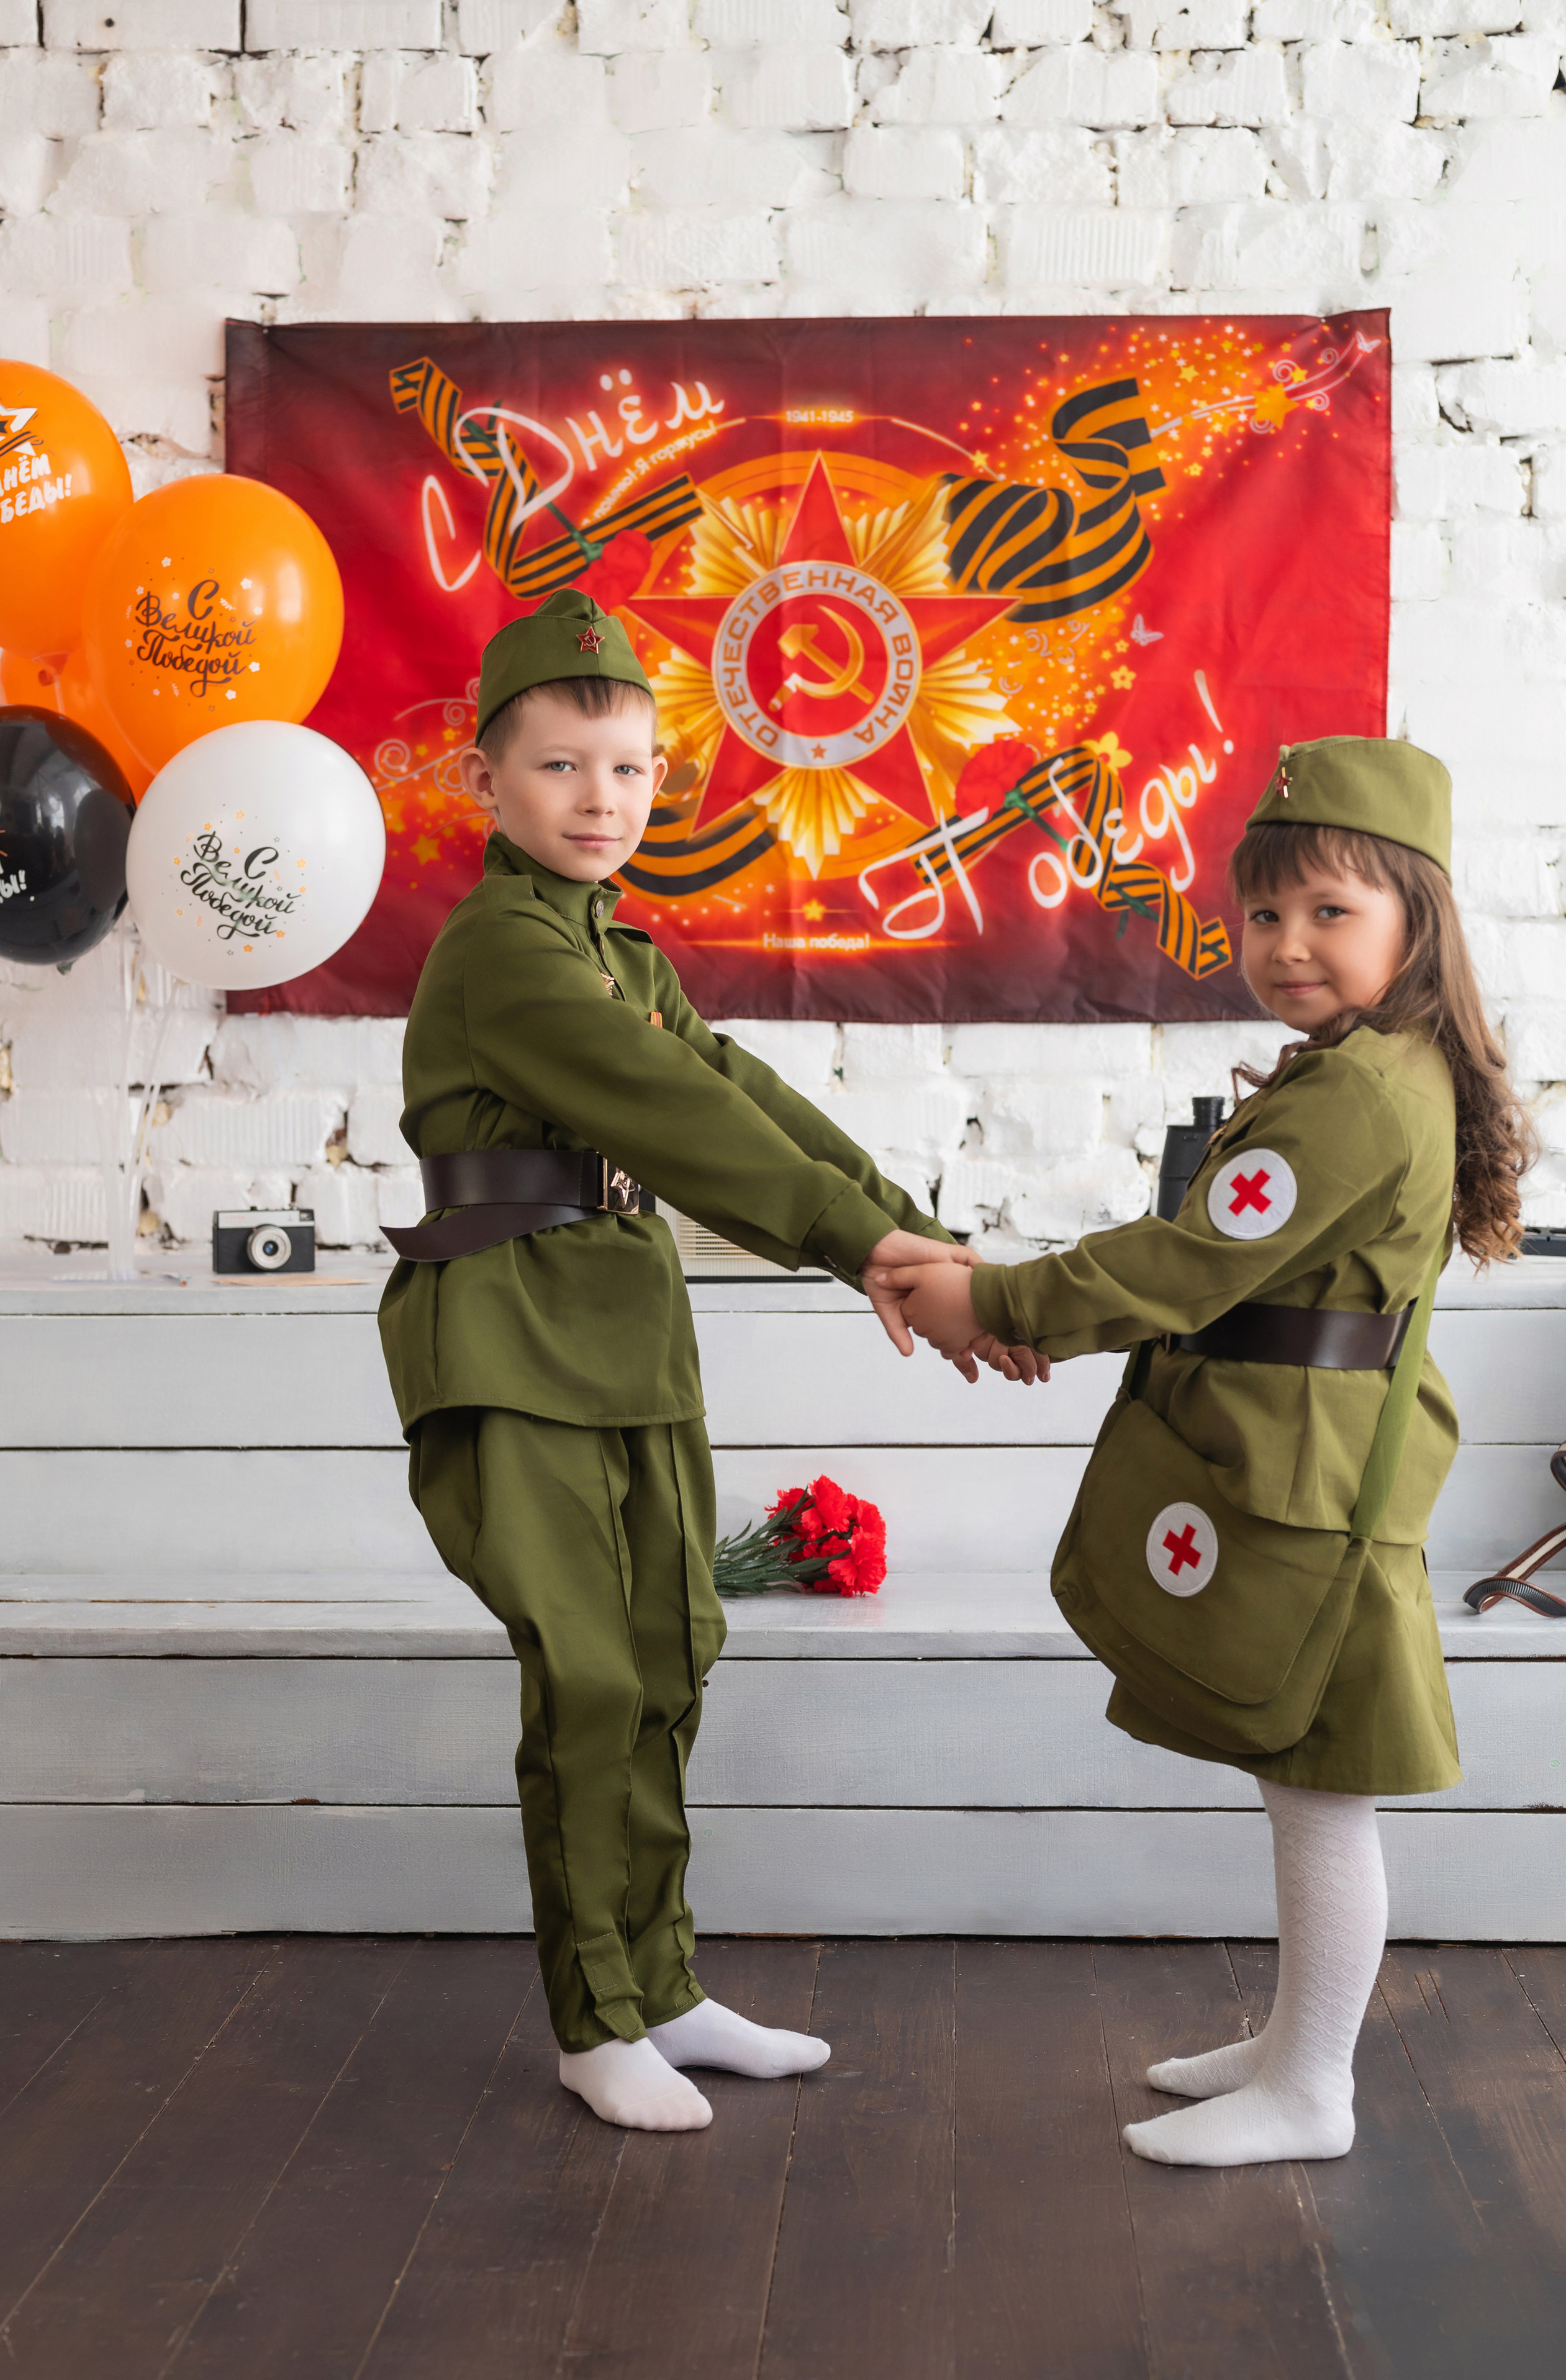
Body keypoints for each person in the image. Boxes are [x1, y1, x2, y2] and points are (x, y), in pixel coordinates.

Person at [378, 586, 1036, 2135]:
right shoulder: (500, 953)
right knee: (591, 1673)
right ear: (487, 781)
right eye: (559, 768)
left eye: (629, 770)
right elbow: (670, 1118)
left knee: (671, 1650)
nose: (601, 800)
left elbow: (740, 1090)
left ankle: (663, 1985)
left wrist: (922, 1240)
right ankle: (593, 2017)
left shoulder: (617, 945)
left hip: (624, 1333)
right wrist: (867, 1256)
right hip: (509, 1339)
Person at [873, 736, 1534, 2168]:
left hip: (1315, 1490)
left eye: (1329, 912)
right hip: (1304, 1465)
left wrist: (990, 1299)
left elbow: (1184, 1263)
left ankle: (1311, 2093)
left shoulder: (1364, 1090)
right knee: (1298, 1770)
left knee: (1318, 1777)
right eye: (1263, 915)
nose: (1285, 946)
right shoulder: (1366, 1067)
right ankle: (1295, 2046)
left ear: (1414, 920)